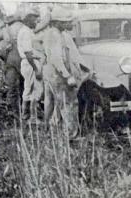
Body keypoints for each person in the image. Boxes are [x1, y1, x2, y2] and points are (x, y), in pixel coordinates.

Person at [42, 7, 90, 138]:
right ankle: (71, 136)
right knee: (68, 103)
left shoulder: (61, 34)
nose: (71, 24)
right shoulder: (54, 35)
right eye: (67, 22)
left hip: (54, 74)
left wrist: (86, 68)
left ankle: (51, 132)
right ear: (59, 22)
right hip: (57, 75)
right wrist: (67, 76)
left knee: (55, 104)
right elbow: (56, 59)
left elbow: (74, 54)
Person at [0, 13, 24, 109]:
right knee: (25, 87)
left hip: (11, 60)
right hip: (25, 60)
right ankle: (26, 111)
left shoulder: (6, 30)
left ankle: (16, 113)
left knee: (13, 88)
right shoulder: (26, 28)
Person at [17, 9, 43, 121]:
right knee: (34, 89)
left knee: (28, 88)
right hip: (30, 63)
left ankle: (26, 115)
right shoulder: (26, 32)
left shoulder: (26, 30)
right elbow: (28, 52)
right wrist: (36, 69)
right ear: (28, 19)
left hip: (28, 62)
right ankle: (32, 117)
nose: (36, 21)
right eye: (34, 19)